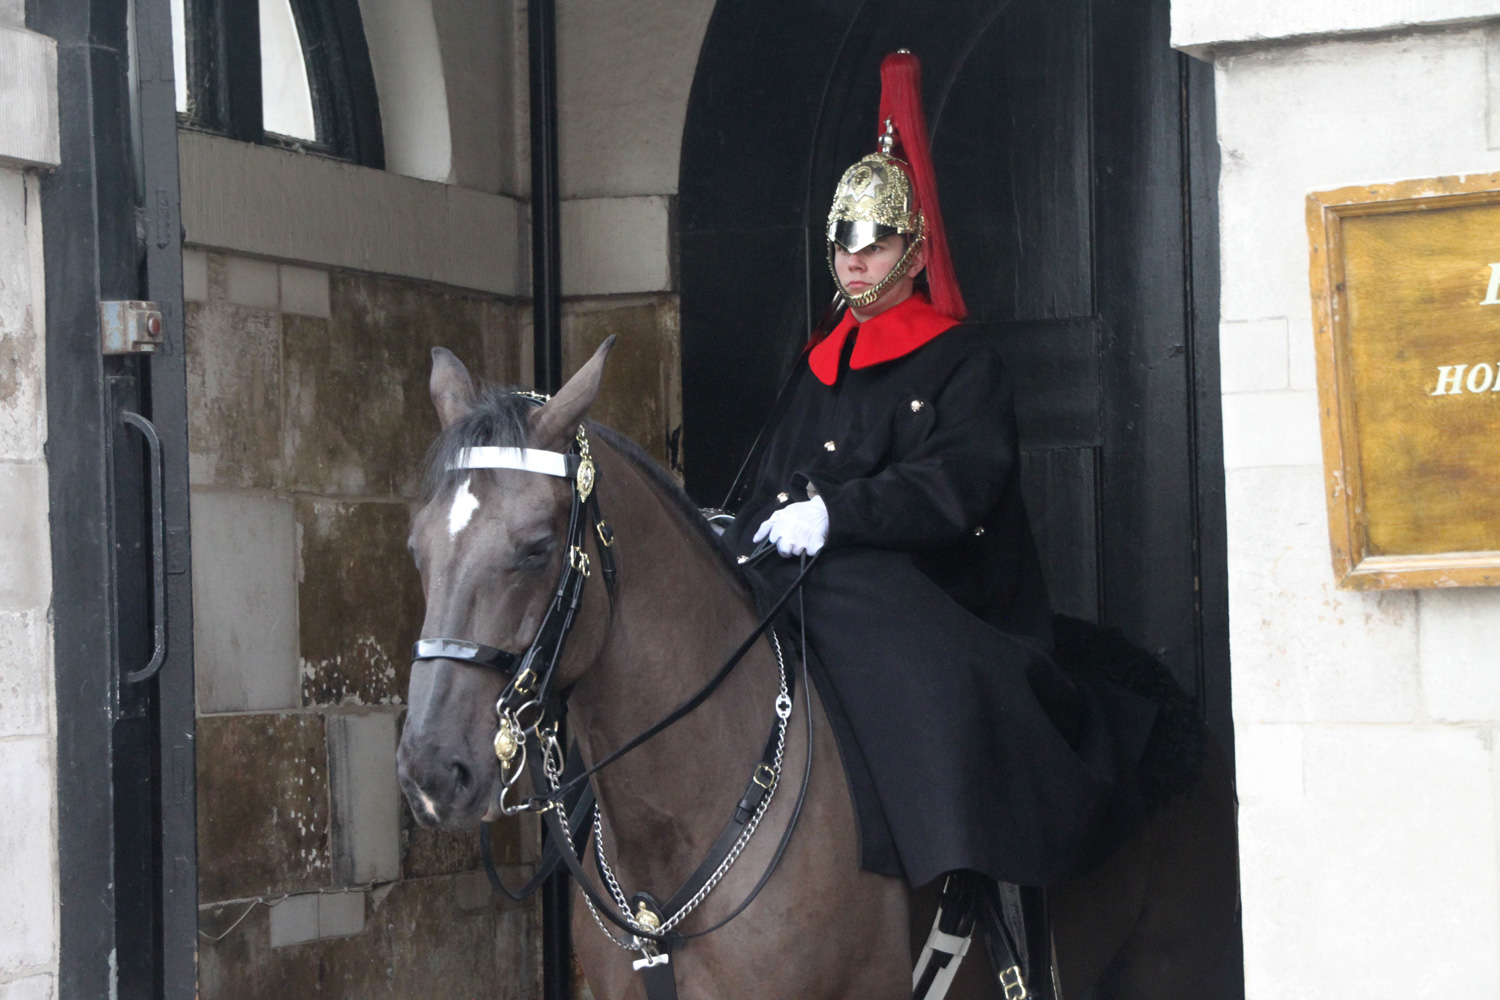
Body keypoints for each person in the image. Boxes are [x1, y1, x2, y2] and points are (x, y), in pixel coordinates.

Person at [721, 51, 1154, 897]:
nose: (854, 262)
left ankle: (967, 885)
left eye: (875, 244)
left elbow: (956, 487)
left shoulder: (960, 362)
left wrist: (838, 516)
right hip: (815, 575)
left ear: (915, 254)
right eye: (843, 244)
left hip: (942, 584)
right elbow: (774, 479)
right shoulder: (818, 361)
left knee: (909, 652)